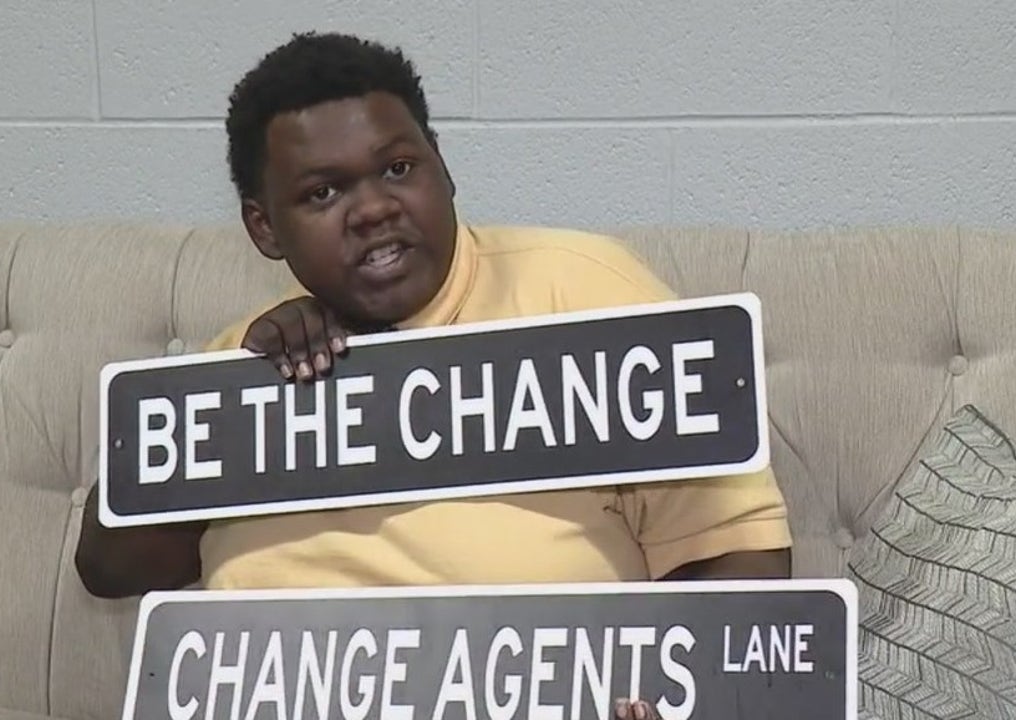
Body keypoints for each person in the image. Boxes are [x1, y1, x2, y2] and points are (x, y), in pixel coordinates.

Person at [77, 31, 792, 720]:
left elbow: (739, 552)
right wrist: (234, 400)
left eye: (397, 168)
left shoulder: (588, 295)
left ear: (441, 166)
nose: (374, 209)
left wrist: (673, 695)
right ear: (265, 229)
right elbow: (110, 566)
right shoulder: (250, 359)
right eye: (323, 193)